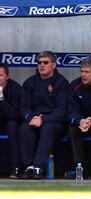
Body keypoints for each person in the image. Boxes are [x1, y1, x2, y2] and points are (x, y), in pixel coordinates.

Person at [19, 50, 70, 179]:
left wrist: (44, 119)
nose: (42, 65)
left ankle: (38, 167)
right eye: (39, 62)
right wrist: (31, 118)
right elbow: (24, 107)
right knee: (24, 128)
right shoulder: (30, 83)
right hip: (34, 120)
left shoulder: (62, 83)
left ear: (54, 65)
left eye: (45, 62)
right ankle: (28, 167)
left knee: (48, 129)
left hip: (55, 122)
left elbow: (62, 110)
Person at [0, 62, 22, 178]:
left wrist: (1, 98)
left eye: (0, 75)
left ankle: (16, 168)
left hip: (10, 121)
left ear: (7, 76)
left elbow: (14, 114)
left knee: (13, 126)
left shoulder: (15, 88)